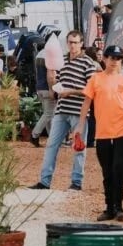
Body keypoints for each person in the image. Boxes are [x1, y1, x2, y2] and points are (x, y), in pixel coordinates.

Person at [74, 45, 123, 221]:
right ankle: (109, 206)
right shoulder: (95, 79)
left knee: (119, 168)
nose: (115, 61)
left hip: (121, 130)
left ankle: (119, 206)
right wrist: (80, 125)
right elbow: (86, 102)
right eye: (112, 58)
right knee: (107, 171)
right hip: (102, 132)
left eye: (118, 58)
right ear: (105, 59)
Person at [35, 31, 95, 192]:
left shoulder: (88, 63)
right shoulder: (62, 61)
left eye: (76, 42)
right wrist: (52, 80)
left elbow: (91, 89)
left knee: (78, 147)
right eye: (70, 42)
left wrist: (71, 91)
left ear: (82, 43)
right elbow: (56, 84)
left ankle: (76, 181)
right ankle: (44, 181)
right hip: (61, 108)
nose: (73, 45)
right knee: (51, 145)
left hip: (78, 110)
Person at [31, 30, 65, 147]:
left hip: (40, 88)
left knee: (48, 114)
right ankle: (35, 134)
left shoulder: (40, 53)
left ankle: (52, 138)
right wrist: (52, 90)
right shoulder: (51, 54)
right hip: (47, 88)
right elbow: (51, 74)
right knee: (49, 114)